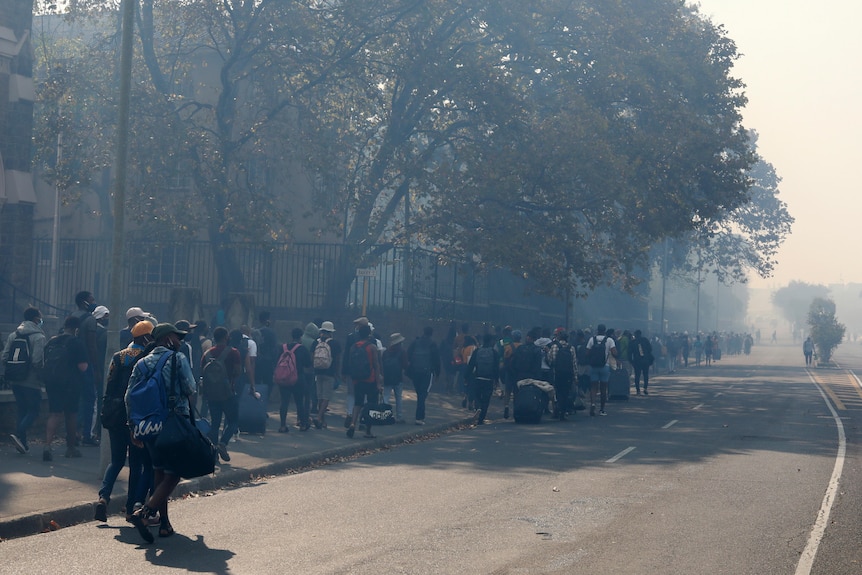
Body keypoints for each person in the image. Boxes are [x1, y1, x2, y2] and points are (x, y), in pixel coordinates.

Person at [126, 322, 197, 543]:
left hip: (148, 426)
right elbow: (191, 388)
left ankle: (165, 524)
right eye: (177, 338)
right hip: (173, 423)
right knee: (174, 473)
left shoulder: (142, 363)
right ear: (167, 338)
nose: (180, 342)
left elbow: (129, 396)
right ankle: (145, 513)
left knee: (159, 472)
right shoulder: (178, 359)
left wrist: (133, 427)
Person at [94, 320, 154, 522]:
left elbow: (109, 384)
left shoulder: (118, 356)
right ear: (146, 337)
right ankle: (130, 509)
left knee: (116, 460)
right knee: (136, 464)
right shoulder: (147, 358)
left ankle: (103, 497)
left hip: (115, 413)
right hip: (135, 416)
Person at [43, 315, 89, 461]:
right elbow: (83, 367)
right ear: (76, 329)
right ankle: (70, 448)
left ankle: (47, 445)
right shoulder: (76, 342)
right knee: (71, 414)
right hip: (71, 383)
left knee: (54, 413)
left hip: (52, 381)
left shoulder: (52, 340)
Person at [2, 306, 47, 454]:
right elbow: (37, 361)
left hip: (15, 379)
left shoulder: (13, 335)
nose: (41, 319)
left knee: (22, 409)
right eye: (40, 317)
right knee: (34, 409)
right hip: (31, 380)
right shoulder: (39, 337)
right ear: (36, 319)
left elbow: (4, 356)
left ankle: (22, 441)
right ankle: (19, 432)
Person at [200, 326, 242, 461]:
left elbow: (203, 372)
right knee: (233, 421)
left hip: (211, 394)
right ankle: (223, 443)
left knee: (215, 423)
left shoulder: (207, 354)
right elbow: (238, 371)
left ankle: (213, 453)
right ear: (225, 337)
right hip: (228, 392)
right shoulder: (233, 352)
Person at [73, 290, 101, 446]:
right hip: (86, 364)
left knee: (75, 399)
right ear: (85, 302)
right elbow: (92, 345)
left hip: (72, 365)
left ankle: (73, 432)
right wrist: (96, 368)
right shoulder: (90, 320)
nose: (94, 302)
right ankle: (86, 435)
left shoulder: (71, 317)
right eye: (92, 299)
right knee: (90, 399)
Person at [346, 323, 383, 438]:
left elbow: (350, 364)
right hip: (370, 379)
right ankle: (368, 430)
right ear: (369, 334)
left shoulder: (353, 347)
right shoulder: (372, 347)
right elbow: (376, 366)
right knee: (371, 404)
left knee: (357, 403)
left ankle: (352, 423)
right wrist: (378, 383)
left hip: (357, 380)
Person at [278, 327, 312, 432]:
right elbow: (308, 364)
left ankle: (283, 425)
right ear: (300, 337)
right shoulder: (302, 349)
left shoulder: (283, 347)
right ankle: (302, 424)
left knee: (284, 401)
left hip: (283, 378)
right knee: (299, 402)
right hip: (298, 378)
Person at [407, 326, 441, 426]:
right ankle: (419, 417)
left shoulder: (415, 342)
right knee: (423, 394)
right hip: (427, 372)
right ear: (431, 333)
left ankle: (419, 415)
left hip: (415, 371)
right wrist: (437, 374)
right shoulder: (432, 344)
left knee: (419, 393)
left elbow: (408, 354)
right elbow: (436, 360)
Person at [341, 317, 369, 428]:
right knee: (364, 394)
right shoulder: (370, 340)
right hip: (365, 371)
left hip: (351, 370)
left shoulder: (350, 337)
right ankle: (363, 417)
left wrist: (344, 371)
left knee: (351, 393)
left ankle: (349, 413)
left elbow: (346, 354)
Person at [312, 321, 341, 429]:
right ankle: (319, 417)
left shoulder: (316, 342)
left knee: (320, 396)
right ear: (331, 332)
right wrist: (337, 373)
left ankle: (322, 421)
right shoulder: (335, 344)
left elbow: (312, 356)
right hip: (329, 372)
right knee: (326, 397)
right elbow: (337, 360)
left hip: (318, 372)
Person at [467, 334, 499, 424]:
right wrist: (496, 380)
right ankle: (481, 418)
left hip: (478, 378)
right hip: (489, 380)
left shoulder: (477, 351)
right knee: (486, 399)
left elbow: (471, 365)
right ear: (491, 341)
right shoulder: (494, 353)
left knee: (478, 396)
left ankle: (478, 408)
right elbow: (496, 368)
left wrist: (466, 376)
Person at [586, 324, 617, 416]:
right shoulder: (609, 340)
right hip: (605, 366)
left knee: (593, 387)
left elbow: (587, 353)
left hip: (593, 367)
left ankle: (593, 404)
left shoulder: (592, 339)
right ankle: (602, 409)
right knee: (604, 388)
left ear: (597, 330)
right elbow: (615, 352)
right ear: (605, 330)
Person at [547, 330, 576, 419]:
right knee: (566, 392)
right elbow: (574, 363)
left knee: (557, 392)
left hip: (557, 373)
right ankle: (563, 412)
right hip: (568, 374)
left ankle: (556, 410)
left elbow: (550, 360)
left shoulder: (555, 346)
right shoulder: (571, 348)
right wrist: (575, 376)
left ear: (559, 337)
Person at [381, 333, 408, 424]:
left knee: (386, 396)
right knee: (398, 398)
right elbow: (405, 365)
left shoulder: (386, 352)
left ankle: (384, 414)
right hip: (398, 377)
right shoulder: (402, 351)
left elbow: (382, 364)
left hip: (387, 377)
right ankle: (399, 416)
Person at [629, 329, 653, 396]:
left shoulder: (633, 342)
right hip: (645, 360)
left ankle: (638, 390)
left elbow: (630, 353)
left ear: (635, 335)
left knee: (637, 375)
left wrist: (631, 361)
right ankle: (645, 388)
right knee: (645, 375)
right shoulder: (645, 340)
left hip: (637, 361)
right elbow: (650, 349)